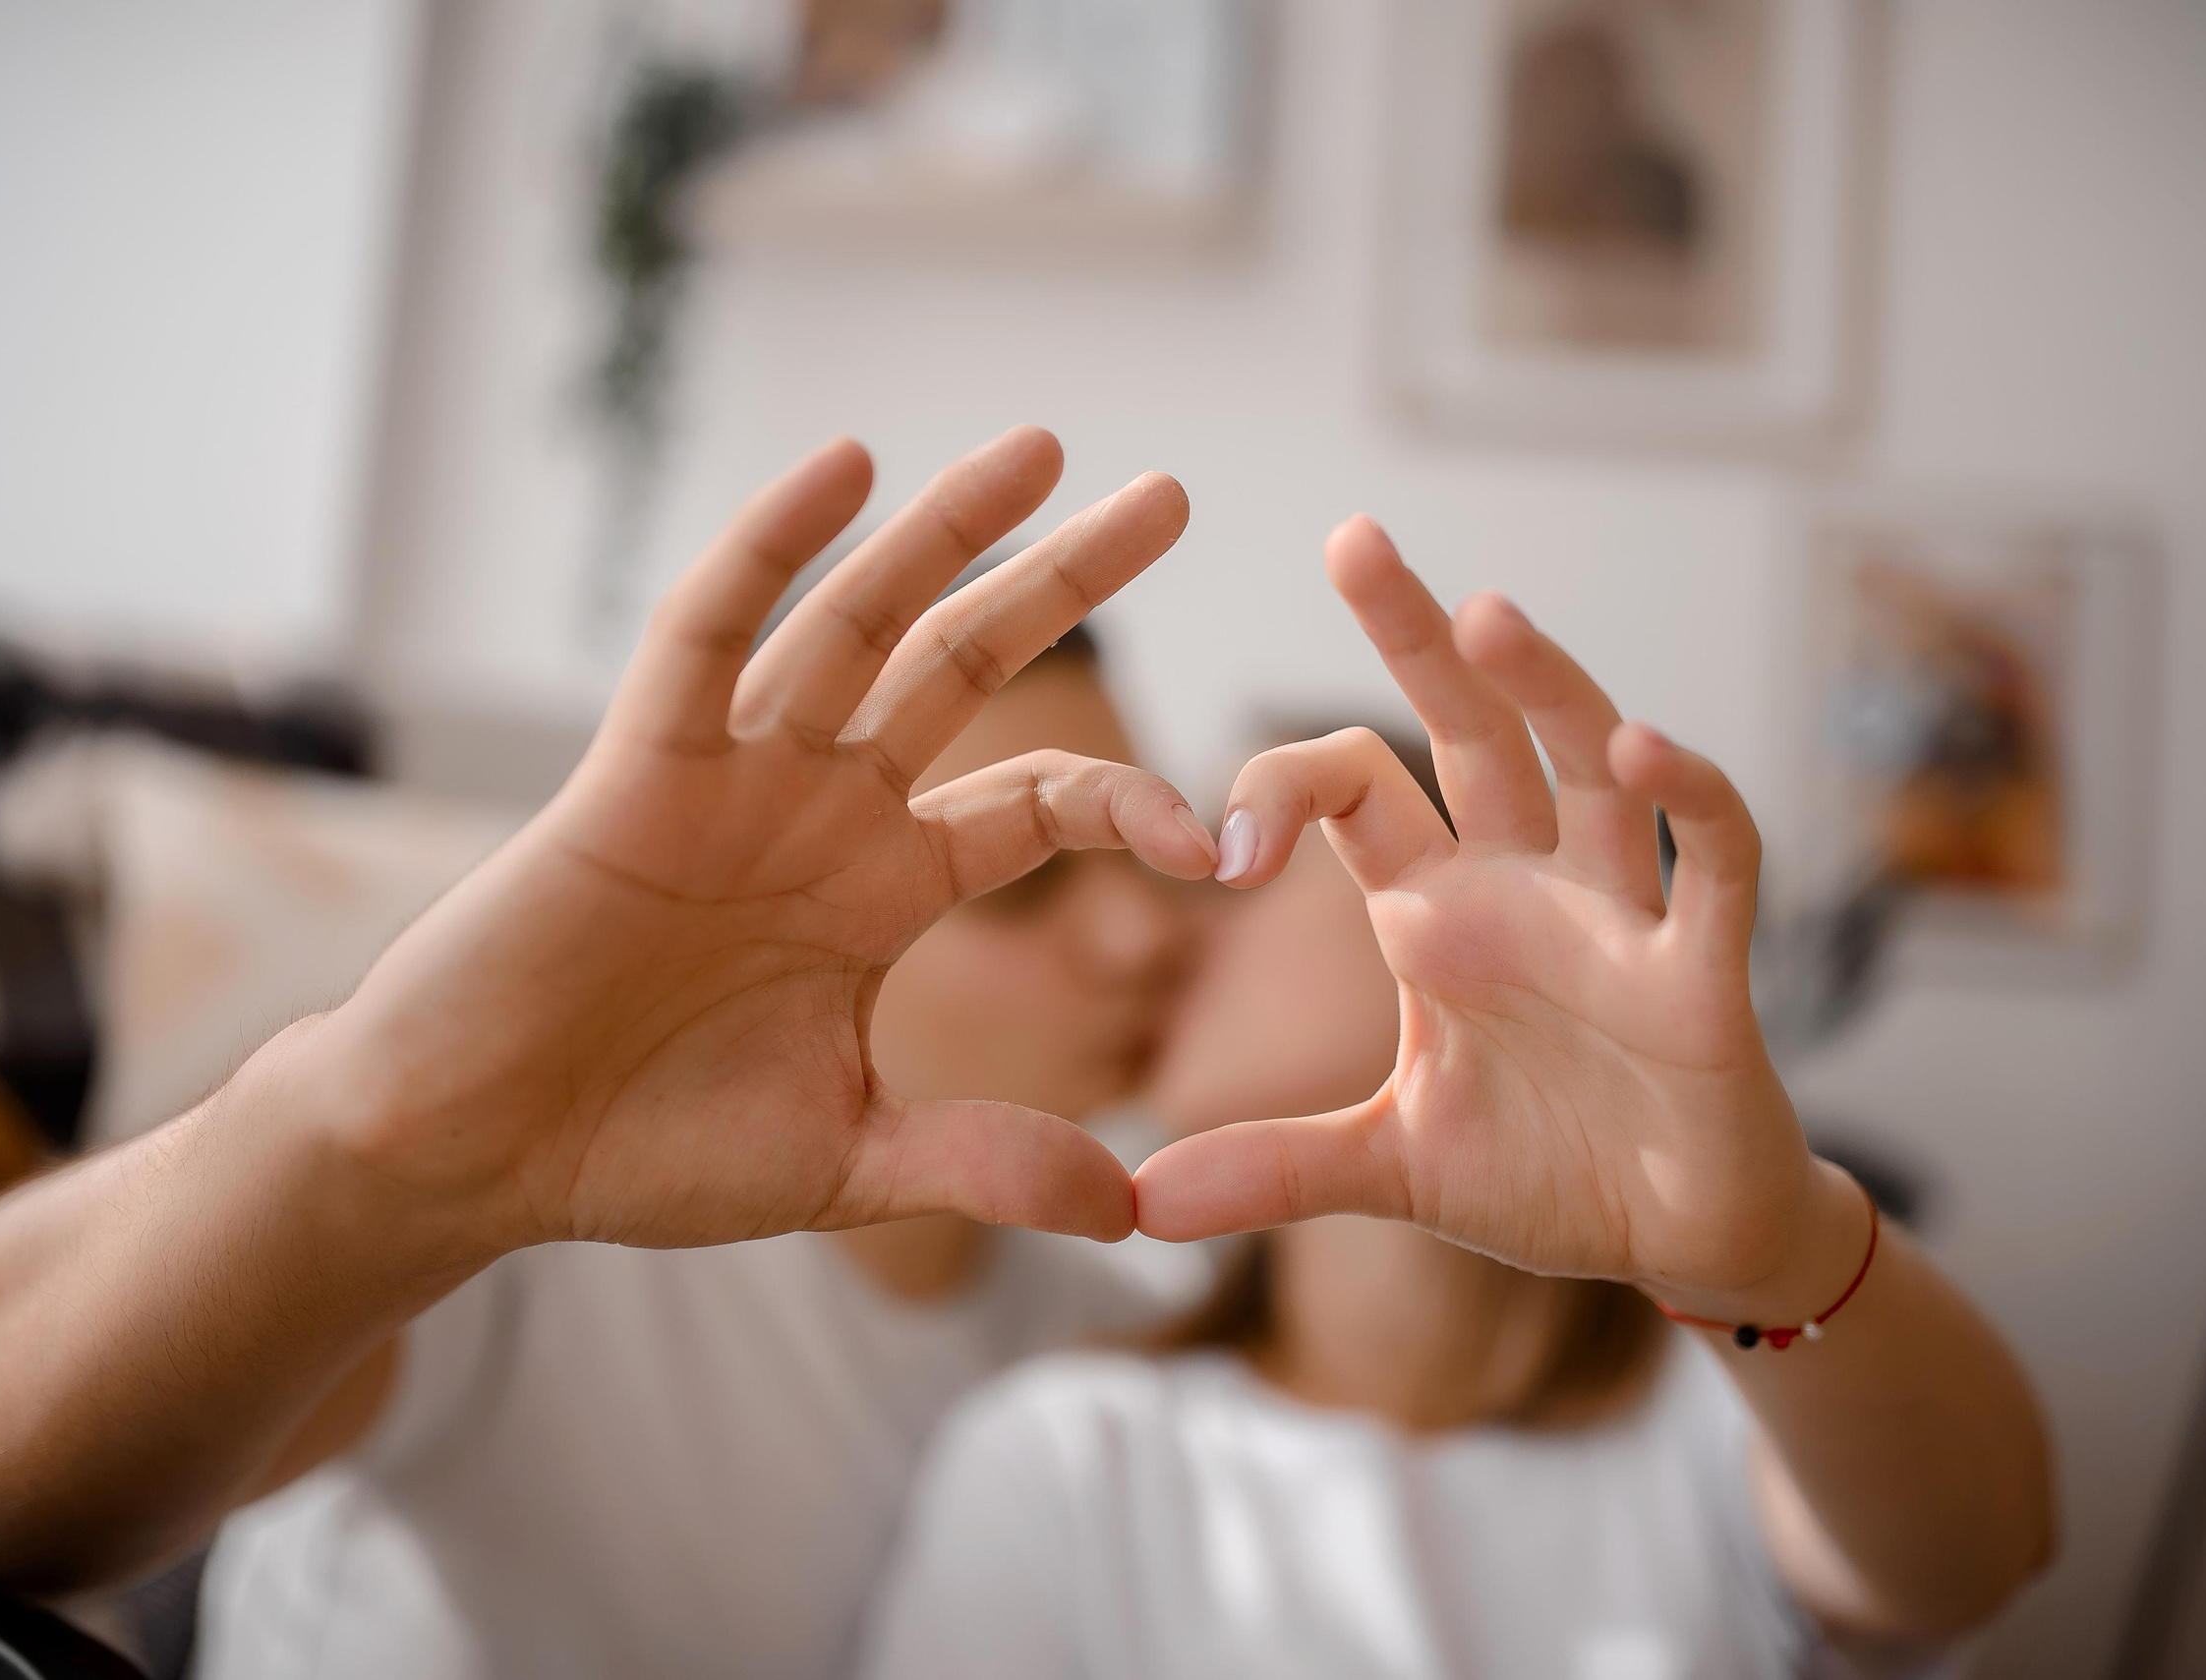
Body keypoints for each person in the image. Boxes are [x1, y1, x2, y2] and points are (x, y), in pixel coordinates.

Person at [0, 427, 1224, 1675]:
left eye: (1120, 839)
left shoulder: (1111, 1320)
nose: (1144, 937)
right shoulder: (555, 1221)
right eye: (1029, 875)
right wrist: (388, 1128)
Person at [857, 517, 2058, 1679]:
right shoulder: (1074, 1451)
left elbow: (1969, 1559)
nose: (1146, 933)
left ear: (1486, 905)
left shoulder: (1722, 1417)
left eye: (1233, 866)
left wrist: (1771, 1253)